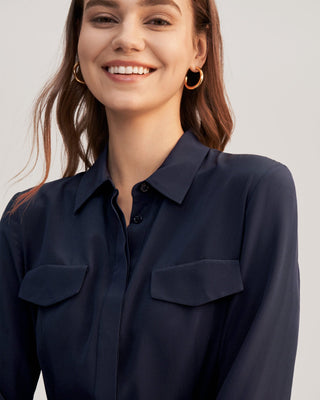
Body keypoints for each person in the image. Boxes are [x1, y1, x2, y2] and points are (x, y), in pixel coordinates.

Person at [0, 0, 300, 399]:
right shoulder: (29, 219)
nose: (126, 39)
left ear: (198, 50)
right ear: (77, 42)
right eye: (104, 19)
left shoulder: (255, 194)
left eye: (157, 20)